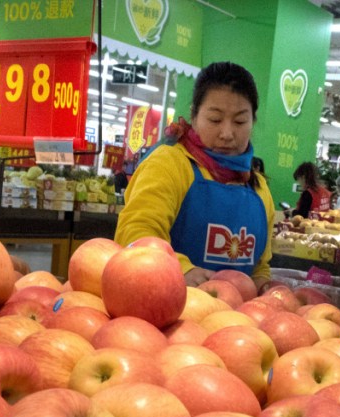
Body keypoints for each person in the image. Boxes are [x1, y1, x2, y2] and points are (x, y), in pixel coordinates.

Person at [114, 61, 275, 290]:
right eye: (215, 120)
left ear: (253, 121)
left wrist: (265, 291)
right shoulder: (169, 165)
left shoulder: (258, 189)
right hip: (162, 309)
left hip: (236, 321)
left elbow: (260, 266)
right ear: (194, 115)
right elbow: (135, 233)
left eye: (240, 121)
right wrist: (181, 270)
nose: (227, 134)